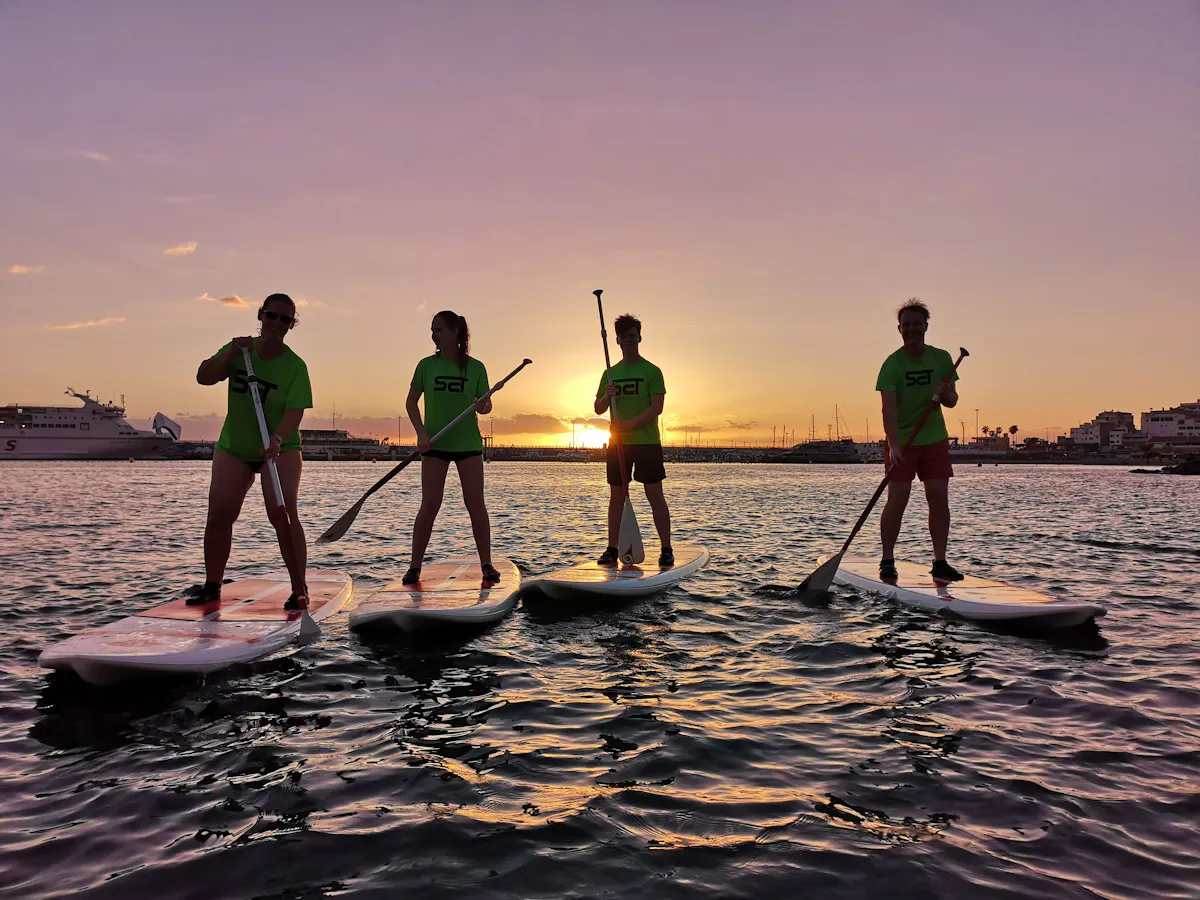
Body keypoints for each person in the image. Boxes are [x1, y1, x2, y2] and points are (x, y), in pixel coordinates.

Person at [194, 293, 312, 607]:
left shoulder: (295, 366)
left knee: (282, 514)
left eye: (285, 319)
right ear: (260, 316)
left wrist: (276, 439)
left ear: (291, 325)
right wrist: (229, 354)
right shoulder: (240, 352)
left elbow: (294, 413)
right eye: (271, 316)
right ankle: (212, 586)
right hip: (235, 446)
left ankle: (299, 589)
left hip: (281, 447)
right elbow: (203, 376)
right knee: (220, 512)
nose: (276, 324)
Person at [402, 310, 498, 585]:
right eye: (432, 330)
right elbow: (410, 403)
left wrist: (484, 404)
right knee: (430, 505)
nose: (434, 335)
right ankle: (414, 567)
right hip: (435, 443)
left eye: (439, 330)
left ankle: (487, 565)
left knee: (475, 504)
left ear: (455, 332)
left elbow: (486, 405)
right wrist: (420, 434)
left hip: (467, 444)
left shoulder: (476, 367)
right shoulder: (426, 366)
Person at [876, 298, 962, 582]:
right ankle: (887, 559)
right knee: (897, 500)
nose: (912, 329)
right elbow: (887, 408)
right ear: (899, 329)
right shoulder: (892, 364)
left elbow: (952, 401)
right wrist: (895, 444)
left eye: (917, 324)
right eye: (906, 325)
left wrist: (947, 393)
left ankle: (940, 562)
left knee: (938, 500)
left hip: (934, 438)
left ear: (926, 326)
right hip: (903, 441)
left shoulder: (942, 358)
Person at [594, 313, 673, 566]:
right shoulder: (610, 373)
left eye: (632, 335)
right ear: (616, 340)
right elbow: (597, 408)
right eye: (624, 336)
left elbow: (656, 407)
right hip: (618, 444)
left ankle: (666, 548)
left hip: (646, 442)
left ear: (639, 337)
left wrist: (630, 424)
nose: (628, 340)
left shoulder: (652, 371)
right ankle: (612, 548)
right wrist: (607, 396)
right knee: (617, 496)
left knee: (654, 494)